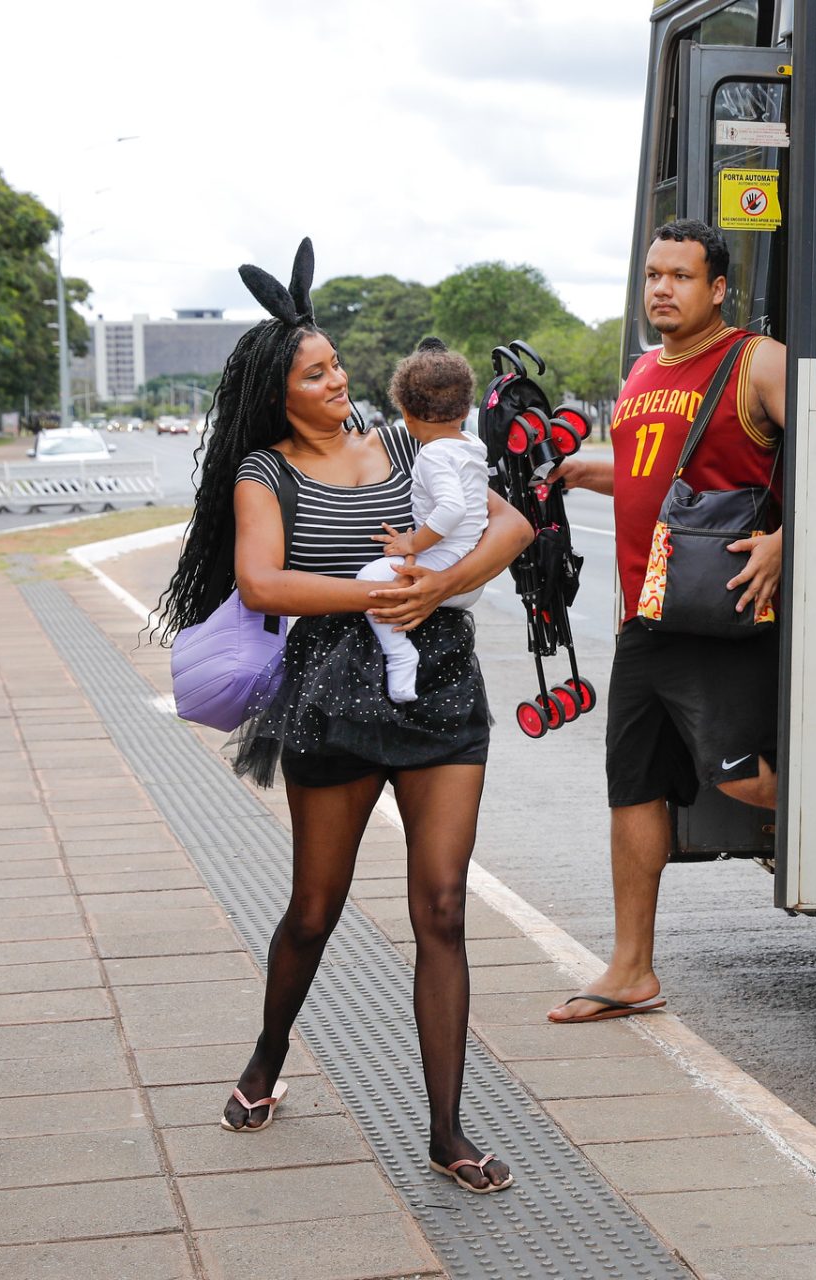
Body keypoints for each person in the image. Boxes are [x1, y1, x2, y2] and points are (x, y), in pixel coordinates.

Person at [153, 239, 532, 1192]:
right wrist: (373, 599)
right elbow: (260, 579)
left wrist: (437, 582)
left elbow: (513, 525)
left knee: (440, 907)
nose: (338, 380)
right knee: (314, 910)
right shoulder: (263, 473)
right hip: (332, 693)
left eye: (337, 367)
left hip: (440, 682)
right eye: (316, 373)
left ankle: (447, 1133)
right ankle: (267, 1057)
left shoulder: (407, 440)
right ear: (278, 393)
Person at [545, 218, 786, 1024]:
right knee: (634, 786)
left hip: (717, 613)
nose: (662, 288)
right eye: (653, 274)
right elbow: (663, 475)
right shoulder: (645, 369)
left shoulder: (757, 361)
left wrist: (788, 541)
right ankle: (631, 968)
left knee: (739, 775)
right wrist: (589, 472)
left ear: (718, 289)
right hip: (646, 614)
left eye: (681, 276)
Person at [356, 338, 489, 702]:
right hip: (470, 574)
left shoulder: (432, 455)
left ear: (408, 417)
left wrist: (412, 544)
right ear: (464, 409)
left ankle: (399, 654)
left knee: (370, 579)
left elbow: (451, 509)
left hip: (446, 569)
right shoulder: (471, 447)